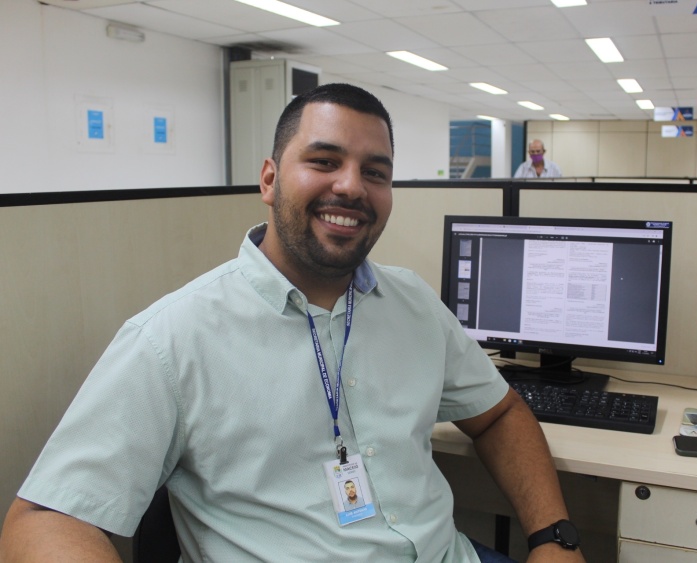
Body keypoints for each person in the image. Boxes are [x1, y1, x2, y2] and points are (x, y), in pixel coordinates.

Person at [0, 83, 584, 563]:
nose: (352, 186)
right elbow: (43, 523)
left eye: (375, 172)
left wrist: (551, 537)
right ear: (270, 179)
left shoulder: (412, 302)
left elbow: (500, 412)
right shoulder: (174, 339)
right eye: (324, 161)